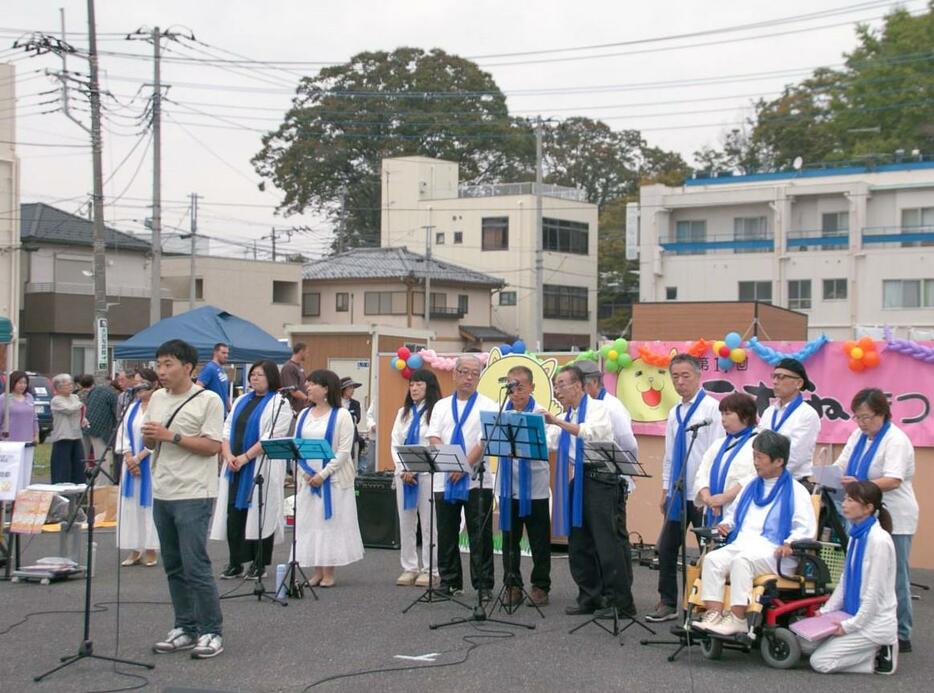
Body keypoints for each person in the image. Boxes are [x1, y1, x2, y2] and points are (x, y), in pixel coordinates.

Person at [143, 339, 225, 660]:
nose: (161, 371)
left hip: (194, 492)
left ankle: (211, 631)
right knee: (173, 565)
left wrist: (170, 436)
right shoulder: (157, 398)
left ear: (188, 367)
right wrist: (150, 439)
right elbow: (152, 445)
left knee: (196, 565)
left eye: (168, 365)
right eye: (159, 364)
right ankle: (184, 626)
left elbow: (213, 446)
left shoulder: (209, 400)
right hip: (162, 490)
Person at [694, 430, 816, 636]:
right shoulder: (750, 485)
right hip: (744, 545)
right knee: (713, 559)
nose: (755, 462)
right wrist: (726, 525)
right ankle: (714, 615)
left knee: (742, 561)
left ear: (778, 461)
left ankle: (738, 619)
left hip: (775, 553)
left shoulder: (796, 491)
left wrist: (790, 543)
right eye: (754, 456)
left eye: (760, 457)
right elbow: (732, 516)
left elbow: (805, 528)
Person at [833, 388, 917, 654]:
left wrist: (860, 484)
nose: (861, 423)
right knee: (861, 570)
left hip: (893, 514)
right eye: (857, 417)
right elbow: (842, 465)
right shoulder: (858, 436)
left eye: (867, 417)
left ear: (882, 414)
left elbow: (893, 479)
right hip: (861, 514)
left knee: (895, 575)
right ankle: (862, 625)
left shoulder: (896, 439)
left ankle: (901, 633)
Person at [543, 364, 625, 617]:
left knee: (607, 543)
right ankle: (589, 596)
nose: (558, 390)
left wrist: (556, 420)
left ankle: (619, 602)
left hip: (601, 480)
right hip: (578, 480)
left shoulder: (599, 408)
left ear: (579, 385)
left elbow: (590, 433)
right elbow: (550, 439)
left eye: (562, 384)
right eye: (556, 386)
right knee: (579, 543)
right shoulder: (567, 415)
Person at [647, 353, 724, 622]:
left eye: (685, 375)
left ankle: (704, 606)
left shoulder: (712, 409)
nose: (680, 382)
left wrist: (711, 493)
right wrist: (666, 489)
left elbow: (717, 453)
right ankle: (668, 601)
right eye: (675, 377)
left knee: (708, 552)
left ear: (698, 376)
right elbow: (669, 454)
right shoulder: (674, 412)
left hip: (703, 495)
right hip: (678, 492)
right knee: (667, 547)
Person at [211, 360, 292, 581]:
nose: (254, 378)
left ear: (271, 378)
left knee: (260, 513)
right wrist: (228, 455)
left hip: (259, 465)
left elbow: (270, 436)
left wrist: (245, 457)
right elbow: (226, 429)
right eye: (253, 375)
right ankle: (235, 562)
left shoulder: (279, 403)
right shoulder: (241, 400)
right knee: (234, 515)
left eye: (260, 375)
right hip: (234, 466)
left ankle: (259, 563)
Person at [426, 355, 498, 600]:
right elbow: (434, 437)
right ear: (454, 374)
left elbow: (484, 440)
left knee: (480, 534)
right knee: (446, 532)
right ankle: (449, 581)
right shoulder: (441, 405)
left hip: (477, 479)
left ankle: (483, 585)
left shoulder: (489, 404)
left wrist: (464, 465)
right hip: (445, 477)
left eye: (474, 373)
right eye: (464, 372)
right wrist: (450, 464)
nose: (469, 377)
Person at [810, 480, 898, 675]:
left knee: (820, 662)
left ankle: (878, 652)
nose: (844, 504)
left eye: (851, 500)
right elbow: (845, 580)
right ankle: (868, 651)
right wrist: (826, 611)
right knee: (805, 645)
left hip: (874, 622)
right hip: (854, 614)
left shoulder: (879, 541)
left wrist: (850, 627)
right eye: (845, 499)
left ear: (868, 508)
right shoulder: (857, 536)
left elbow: (873, 593)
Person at [577, 358, 638, 609]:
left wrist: (621, 475)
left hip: (610, 478)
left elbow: (629, 444)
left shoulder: (610, 406)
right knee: (590, 540)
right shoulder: (582, 407)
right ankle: (597, 593)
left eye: (576, 385)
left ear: (591, 383)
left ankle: (620, 595)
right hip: (588, 476)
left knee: (612, 539)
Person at [293, 369, 364, 587]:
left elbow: (344, 451)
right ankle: (316, 570)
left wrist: (323, 474)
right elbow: (295, 445)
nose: (307, 387)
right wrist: (306, 472)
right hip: (308, 477)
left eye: (312, 383)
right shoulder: (304, 415)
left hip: (332, 479)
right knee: (310, 523)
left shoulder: (341, 415)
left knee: (330, 523)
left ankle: (329, 571)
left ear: (325, 388)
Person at [496, 365, 552, 607]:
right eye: (511, 385)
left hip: (536, 487)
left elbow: (548, 444)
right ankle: (512, 585)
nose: (515, 391)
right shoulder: (500, 413)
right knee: (510, 539)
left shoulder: (540, 413)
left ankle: (540, 586)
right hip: (508, 485)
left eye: (520, 385)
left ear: (531, 387)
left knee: (539, 539)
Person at [389, 368, 441, 587]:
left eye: (419, 384)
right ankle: (409, 566)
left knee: (429, 523)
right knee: (406, 521)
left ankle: (431, 569)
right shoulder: (403, 412)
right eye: (411, 384)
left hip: (428, 475)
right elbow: (395, 443)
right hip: (405, 475)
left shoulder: (437, 411)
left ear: (429, 386)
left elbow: (435, 442)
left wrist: (418, 468)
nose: (414, 388)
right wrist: (403, 469)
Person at [115, 369, 160, 568]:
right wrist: (129, 458)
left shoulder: (159, 407)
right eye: (136, 383)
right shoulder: (131, 408)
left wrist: (140, 457)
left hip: (150, 462)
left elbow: (158, 437)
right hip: (130, 463)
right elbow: (123, 434)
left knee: (149, 504)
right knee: (131, 504)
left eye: (142, 383)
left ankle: (150, 547)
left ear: (153, 385)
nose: (138, 387)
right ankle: (134, 547)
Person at [694, 392, 759, 527]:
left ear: (745, 416)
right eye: (722, 414)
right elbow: (702, 472)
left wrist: (724, 498)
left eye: (728, 414)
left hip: (738, 509)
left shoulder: (759, 442)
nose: (723, 419)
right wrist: (708, 498)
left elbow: (754, 476)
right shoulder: (718, 444)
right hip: (712, 509)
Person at [760, 358, 820, 483]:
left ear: (798, 383)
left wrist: (769, 473)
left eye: (781, 377)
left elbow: (796, 456)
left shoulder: (807, 414)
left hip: (793, 481)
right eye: (774, 376)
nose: (775, 382)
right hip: (764, 478)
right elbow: (757, 444)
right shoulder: (769, 412)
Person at [0, 370, 40, 488]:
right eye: (19, 383)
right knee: (11, 471)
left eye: (25, 383)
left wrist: (36, 434)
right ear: (13, 383)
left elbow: (34, 418)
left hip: (27, 440)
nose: (22, 386)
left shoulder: (29, 398)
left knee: (26, 470)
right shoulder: (4, 398)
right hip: (10, 441)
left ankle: (22, 493)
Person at [49, 373, 87, 484]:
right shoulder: (56, 400)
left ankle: (78, 490)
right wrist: (80, 404)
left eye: (71, 384)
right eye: (67, 385)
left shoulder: (75, 397)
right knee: (62, 467)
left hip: (76, 435)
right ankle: (61, 490)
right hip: (63, 436)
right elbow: (69, 409)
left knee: (78, 465)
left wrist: (83, 418)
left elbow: (80, 411)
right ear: (59, 387)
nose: (71, 387)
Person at [84, 375, 117, 475]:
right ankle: (102, 484)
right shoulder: (113, 394)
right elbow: (117, 413)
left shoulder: (95, 390)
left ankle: (85, 480)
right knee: (102, 458)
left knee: (84, 458)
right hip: (101, 430)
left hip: (86, 426)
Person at [340, 376, 366, 473]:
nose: (352, 390)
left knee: (352, 461)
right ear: (343, 389)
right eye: (350, 388)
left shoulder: (355, 403)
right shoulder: (334, 403)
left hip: (351, 436)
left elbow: (357, 419)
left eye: (353, 388)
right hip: (337, 435)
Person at [197, 342, 232, 416]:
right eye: (223, 353)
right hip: (212, 414)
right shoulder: (209, 368)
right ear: (215, 353)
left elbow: (224, 392)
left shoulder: (221, 369)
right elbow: (197, 388)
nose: (226, 356)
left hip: (222, 414)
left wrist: (230, 410)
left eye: (227, 353)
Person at [279, 342, 309, 413]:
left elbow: (303, 384)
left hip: (301, 408)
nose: (308, 355)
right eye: (307, 352)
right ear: (301, 351)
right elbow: (292, 390)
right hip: (293, 410)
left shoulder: (299, 367)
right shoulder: (289, 367)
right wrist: (307, 399)